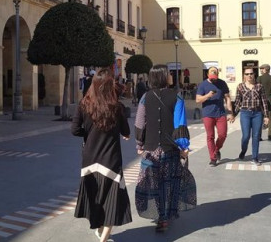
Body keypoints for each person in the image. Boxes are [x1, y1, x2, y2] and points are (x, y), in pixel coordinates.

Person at [134, 64, 197, 233]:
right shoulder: (177, 97)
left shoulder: (145, 97)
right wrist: (183, 146)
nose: (171, 76)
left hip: (151, 149)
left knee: (152, 183)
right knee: (168, 184)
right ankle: (165, 217)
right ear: (162, 76)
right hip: (170, 148)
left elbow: (140, 123)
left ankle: (159, 214)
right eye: (169, 74)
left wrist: (139, 144)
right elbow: (180, 124)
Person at [71, 68, 131, 242]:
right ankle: (103, 237)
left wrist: (88, 134)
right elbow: (125, 130)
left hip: (89, 160)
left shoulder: (84, 104)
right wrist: (123, 134)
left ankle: (100, 231)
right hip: (111, 161)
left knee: (94, 197)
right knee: (112, 199)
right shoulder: (116, 106)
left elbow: (74, 130)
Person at [195, 66, 232, 167]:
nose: (213, 78)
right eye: (211, 76)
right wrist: (207, 96)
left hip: (220, 114)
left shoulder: (222, 83)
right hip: (208, 114)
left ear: (217, 75)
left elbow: (227, 98)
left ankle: (216, 150)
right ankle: (213, 158)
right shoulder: (203, 85)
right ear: (207, 75)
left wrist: (230, 112)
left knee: (222, 135)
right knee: (210, 136)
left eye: (214, 76)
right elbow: (198, 100)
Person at [233, 67, 270, 166]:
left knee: (256, 136)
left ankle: (255, 157)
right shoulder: (240, 86)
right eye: (247, 74)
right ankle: (243, 151)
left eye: (251, 74)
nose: (249, 76)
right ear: (244, 76)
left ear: (254, 75)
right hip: (245, 113)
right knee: (246, 136)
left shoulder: (259, 86)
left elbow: (264, 102)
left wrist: (266, 116)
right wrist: (233, 114)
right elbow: (237, 102)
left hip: (257, 114)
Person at [257, 64, 271, 142]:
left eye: (261, 69)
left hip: (260, 101)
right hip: (270, 100)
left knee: (259, 118)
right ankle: (270, 136)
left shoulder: (259, 78)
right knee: (270, 118)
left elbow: (256, 90)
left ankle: (259, 136)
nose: (260, 70)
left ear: (265, 69)